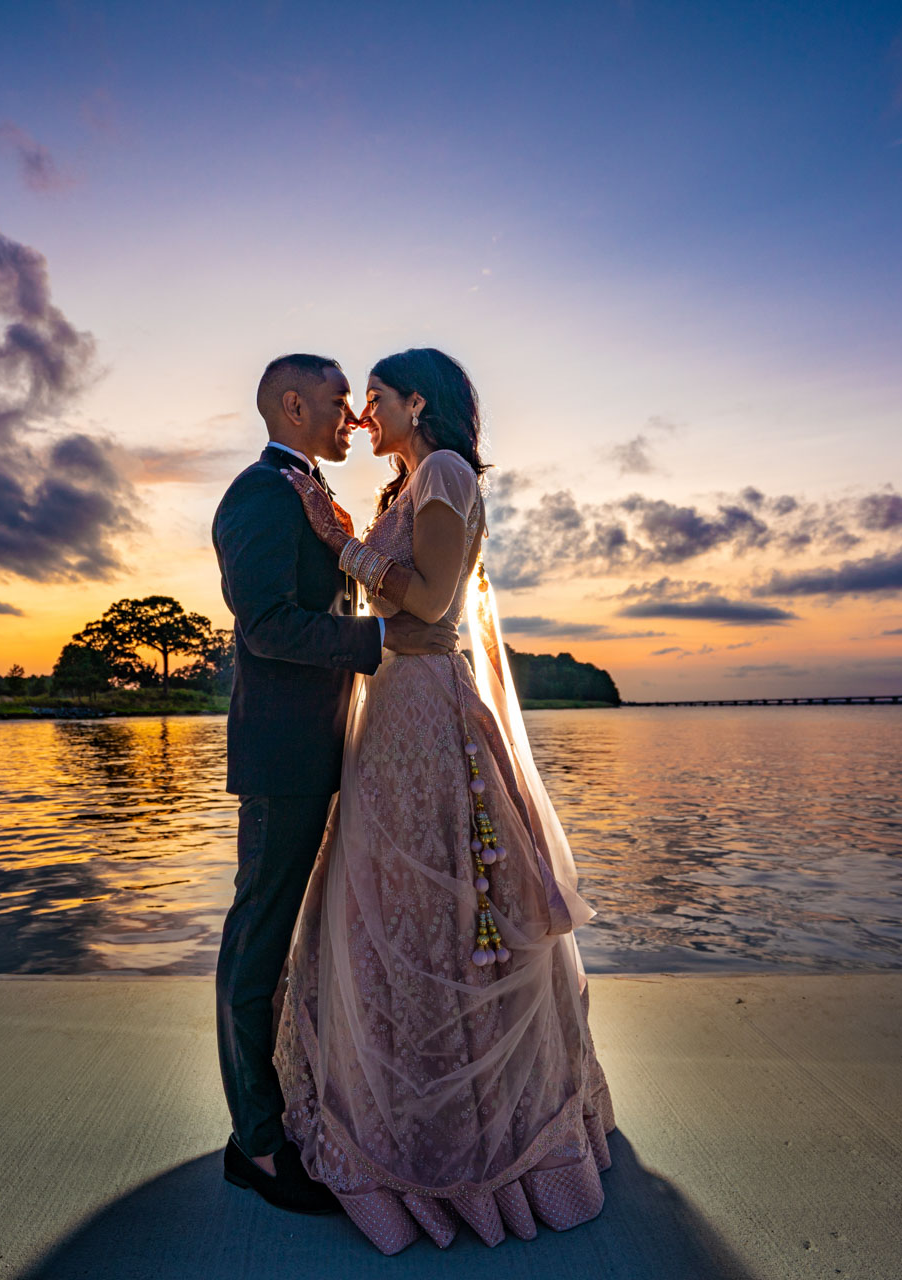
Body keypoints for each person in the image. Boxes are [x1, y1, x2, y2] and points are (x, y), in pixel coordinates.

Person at [269, 347, 615, 1254]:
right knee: (386, 899)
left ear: (417, 402)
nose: (362, 416)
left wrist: (333, 537)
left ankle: (470, 1142)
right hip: (387, 704)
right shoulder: (403, 488)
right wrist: (347, 531)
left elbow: (430, 600)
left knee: (439, 900)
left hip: (424, 706)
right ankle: (392, 1115)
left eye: (375, 399)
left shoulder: (448, 473)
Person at [211, 353, 460, 1216]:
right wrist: (379, 648)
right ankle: (256, 1143)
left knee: (303, 936)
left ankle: (297, 1101)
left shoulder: (311, 495)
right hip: (285, 752)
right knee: (259, 936)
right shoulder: (261, 494)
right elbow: (269, 625)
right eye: (335, 400)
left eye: (360, 401)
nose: (352, 416)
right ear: (291, 404)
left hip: (336, 746)